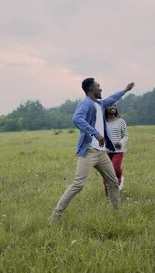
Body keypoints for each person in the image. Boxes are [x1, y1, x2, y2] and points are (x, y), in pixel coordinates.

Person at [49, 78, 135, 224]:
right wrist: (95, 133)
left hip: (101, 152)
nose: (101, 89)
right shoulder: (86, 103)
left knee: (113, 182)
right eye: (98, 86)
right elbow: (77, 119)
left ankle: (117, 216)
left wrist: (125, 90)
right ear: (91, 90)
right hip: (89, 150)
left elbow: (112, 98)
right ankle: (56, 216)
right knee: (78, 183)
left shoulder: (100, 104)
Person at [103, 104, 128, 193]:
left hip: (118, 150)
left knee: (115, 169)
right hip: (105, 151)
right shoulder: (103, 122)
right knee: (106, 173)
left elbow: (125, 135)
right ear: (105, 108)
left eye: (114, 106)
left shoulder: (121, 121)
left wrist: (121, 143)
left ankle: (120, 177)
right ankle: (108, 194)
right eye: (110, 106)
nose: (113, 107)